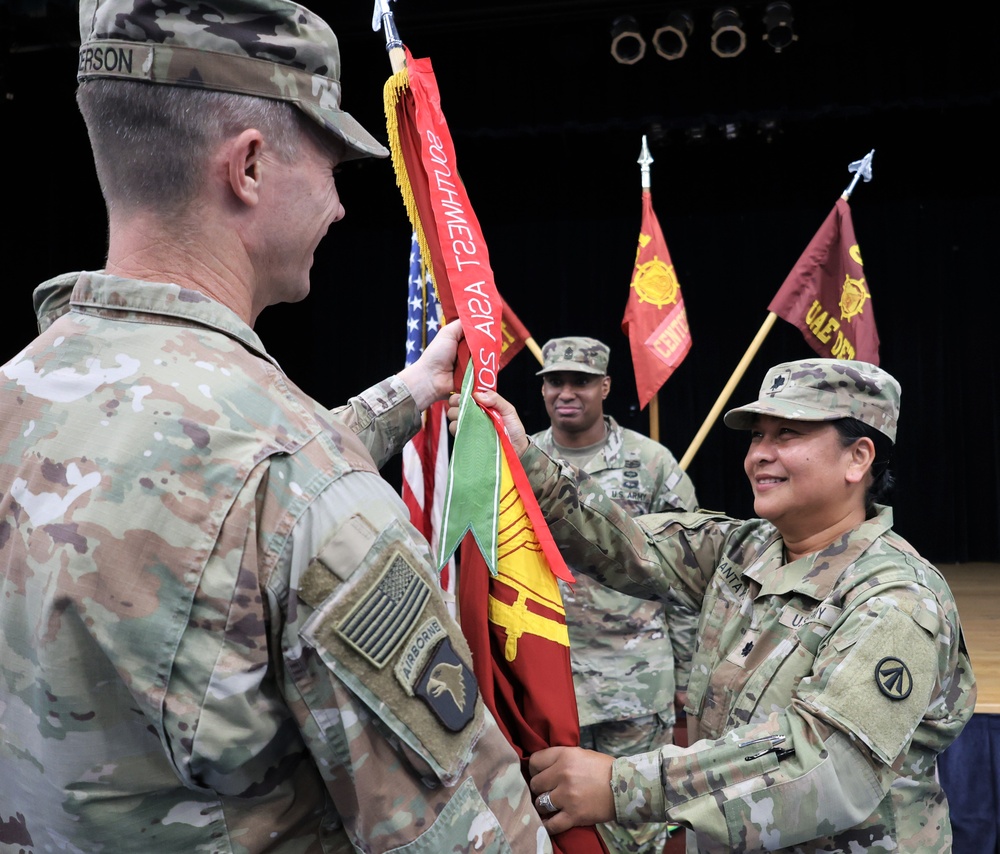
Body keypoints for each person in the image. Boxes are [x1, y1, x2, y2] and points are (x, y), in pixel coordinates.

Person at [0, 2, 551, 851]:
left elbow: (201, 481)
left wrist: (406, 394)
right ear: (249, 166)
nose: (338, 206)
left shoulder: (21, 396)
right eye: (331, 164)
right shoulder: (298, 480)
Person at [456, 358, 977, 853]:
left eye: (787, 434)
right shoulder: (744, 548)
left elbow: (821, 766)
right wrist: (521, 457)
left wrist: (623, 786)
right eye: (757, 436)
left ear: (858, 457)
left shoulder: (896, 601)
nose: (759, 454)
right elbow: (624, 542)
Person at [531, 335, 699, 853]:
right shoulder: (521, 459)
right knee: (558, 822)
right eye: (554, 381)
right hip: (550, 673)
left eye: (580, 381)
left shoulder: (651, 464)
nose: (566, 392)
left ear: (604, 386)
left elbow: (688, 576)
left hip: (635, 681)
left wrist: (689, 681)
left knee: (637, 822)